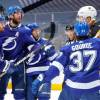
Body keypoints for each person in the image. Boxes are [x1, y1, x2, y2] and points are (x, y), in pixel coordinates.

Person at [32, 22, 100, 100]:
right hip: (93, 89)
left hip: (72, 89)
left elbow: (56, 67)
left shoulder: (68, 48)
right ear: (89, 32)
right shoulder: (98, 44)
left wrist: (41, 78)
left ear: (75, 33)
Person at [0, 6, 37, 100]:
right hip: (3, 66)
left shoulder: (26, 31)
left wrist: (34, 48)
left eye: (21, 13)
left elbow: (32, 46)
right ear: (11, 15)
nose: (20, 15)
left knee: (20, 94)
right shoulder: (2, 29)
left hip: (18, 66)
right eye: (17, 13)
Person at [26, 23, 58, 100]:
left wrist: (50, 52)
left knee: (44, 98)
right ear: (30, 32)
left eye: (38, 30)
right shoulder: (25, 43)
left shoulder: (46, 42)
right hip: (30, 76)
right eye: (35, 30)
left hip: (44, 75)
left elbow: (54, 59)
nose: (38, 32)